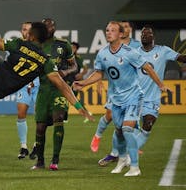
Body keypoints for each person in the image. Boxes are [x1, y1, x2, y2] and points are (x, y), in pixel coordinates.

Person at [73, 21, 169, 177]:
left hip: (133, 97)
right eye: (107, 30)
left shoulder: (130, 52)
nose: (108, 32)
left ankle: (135, 167)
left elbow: (147, 67)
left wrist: (160, 85)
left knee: (127, 129)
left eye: (112, 30)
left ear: (120, 34)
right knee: (119, 131)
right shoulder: (102, 53)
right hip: (116, 99)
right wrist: (83, 83)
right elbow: (99, 73)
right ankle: (122, 159)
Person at [30, 18, 78, 170]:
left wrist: (66, 71)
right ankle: (40, 162)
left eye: (52, 25)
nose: (49, 27)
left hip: (60, 89)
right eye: (46, 25)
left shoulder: (63, 45)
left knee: (58, 119)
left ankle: (55, 160)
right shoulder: (37, 46)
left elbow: (74, 66)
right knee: (40, 127)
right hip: (43, 90)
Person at [91, 21, 141, 166]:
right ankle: (106, 144)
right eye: (108, 30)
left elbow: (145, 64)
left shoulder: (137, 46)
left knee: (128, 126)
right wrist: (99, 81)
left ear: (129, 30)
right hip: (115, 91)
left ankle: (121, 154)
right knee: (112, 118)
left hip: (132, 92)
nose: (124, 29)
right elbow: (102, 69)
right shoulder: (107, 49)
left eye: (126, 26)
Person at [135, 26, 186, 150]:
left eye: (148, 34)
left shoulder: (163, 51)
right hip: (135, 98)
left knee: (148, 124)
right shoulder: (135, 53)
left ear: (153, 37)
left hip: (152, 99)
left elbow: (182, 58)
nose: (144, 36)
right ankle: (118, 153)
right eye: (142, 34)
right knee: (124, 129)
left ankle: (131, 153)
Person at [14, 22, 40, 159]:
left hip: (38, 84)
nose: (26, 32)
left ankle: (37, 145)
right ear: (21, 31)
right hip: (23, 85)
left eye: (29, 30)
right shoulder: (16, 46)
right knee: (21, 113)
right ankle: (23, 146)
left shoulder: (38, 46)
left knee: (39, 116)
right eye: (24, 29)